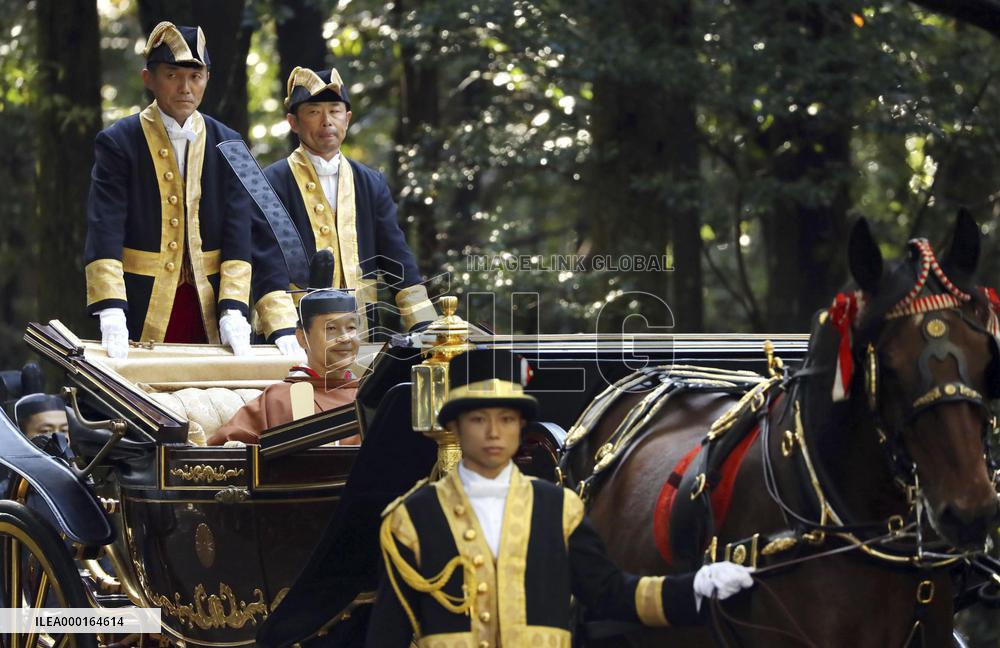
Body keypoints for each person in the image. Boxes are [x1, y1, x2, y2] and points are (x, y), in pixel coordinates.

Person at [366, 349, 754, 647]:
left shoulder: (559, 509)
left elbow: (609, 593)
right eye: (478, 419)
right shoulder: (411, 518)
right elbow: (389, 634)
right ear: (454, 426)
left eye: (506, 419)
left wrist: (696, 588)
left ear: (521, 426)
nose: (493, 433)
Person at [84, 21, 300, 359]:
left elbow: (240, 229)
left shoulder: (232, 144)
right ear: (148, 79)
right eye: (172, 75)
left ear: (207, 80)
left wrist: (233, 308)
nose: (186, 87)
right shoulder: (117, 142)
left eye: (195, 76)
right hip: (140, 303)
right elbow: (105, 224)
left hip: (210, 306)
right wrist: (111, 308)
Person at [253, 65, 437, 342]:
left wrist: (423, 323)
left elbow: (396, 257)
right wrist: (283, 332)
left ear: (348, 118)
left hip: (360, 331)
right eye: (314, 112)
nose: (327, 121)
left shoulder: (370, 182)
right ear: (293, 123)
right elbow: (267, 266)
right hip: (295, 333)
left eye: (335, 111)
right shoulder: (269, 182)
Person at [207, 287, 361, 446]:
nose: (345, 338)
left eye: (351, 328)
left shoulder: (370, 393)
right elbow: (222, 452)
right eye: (331, 328)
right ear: (302, 338)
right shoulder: (280, 397)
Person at [14, 393, 72, 458]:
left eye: (64, 430)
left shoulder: (77, 466)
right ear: (20, 434)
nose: (58, 437)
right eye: (46, 431)